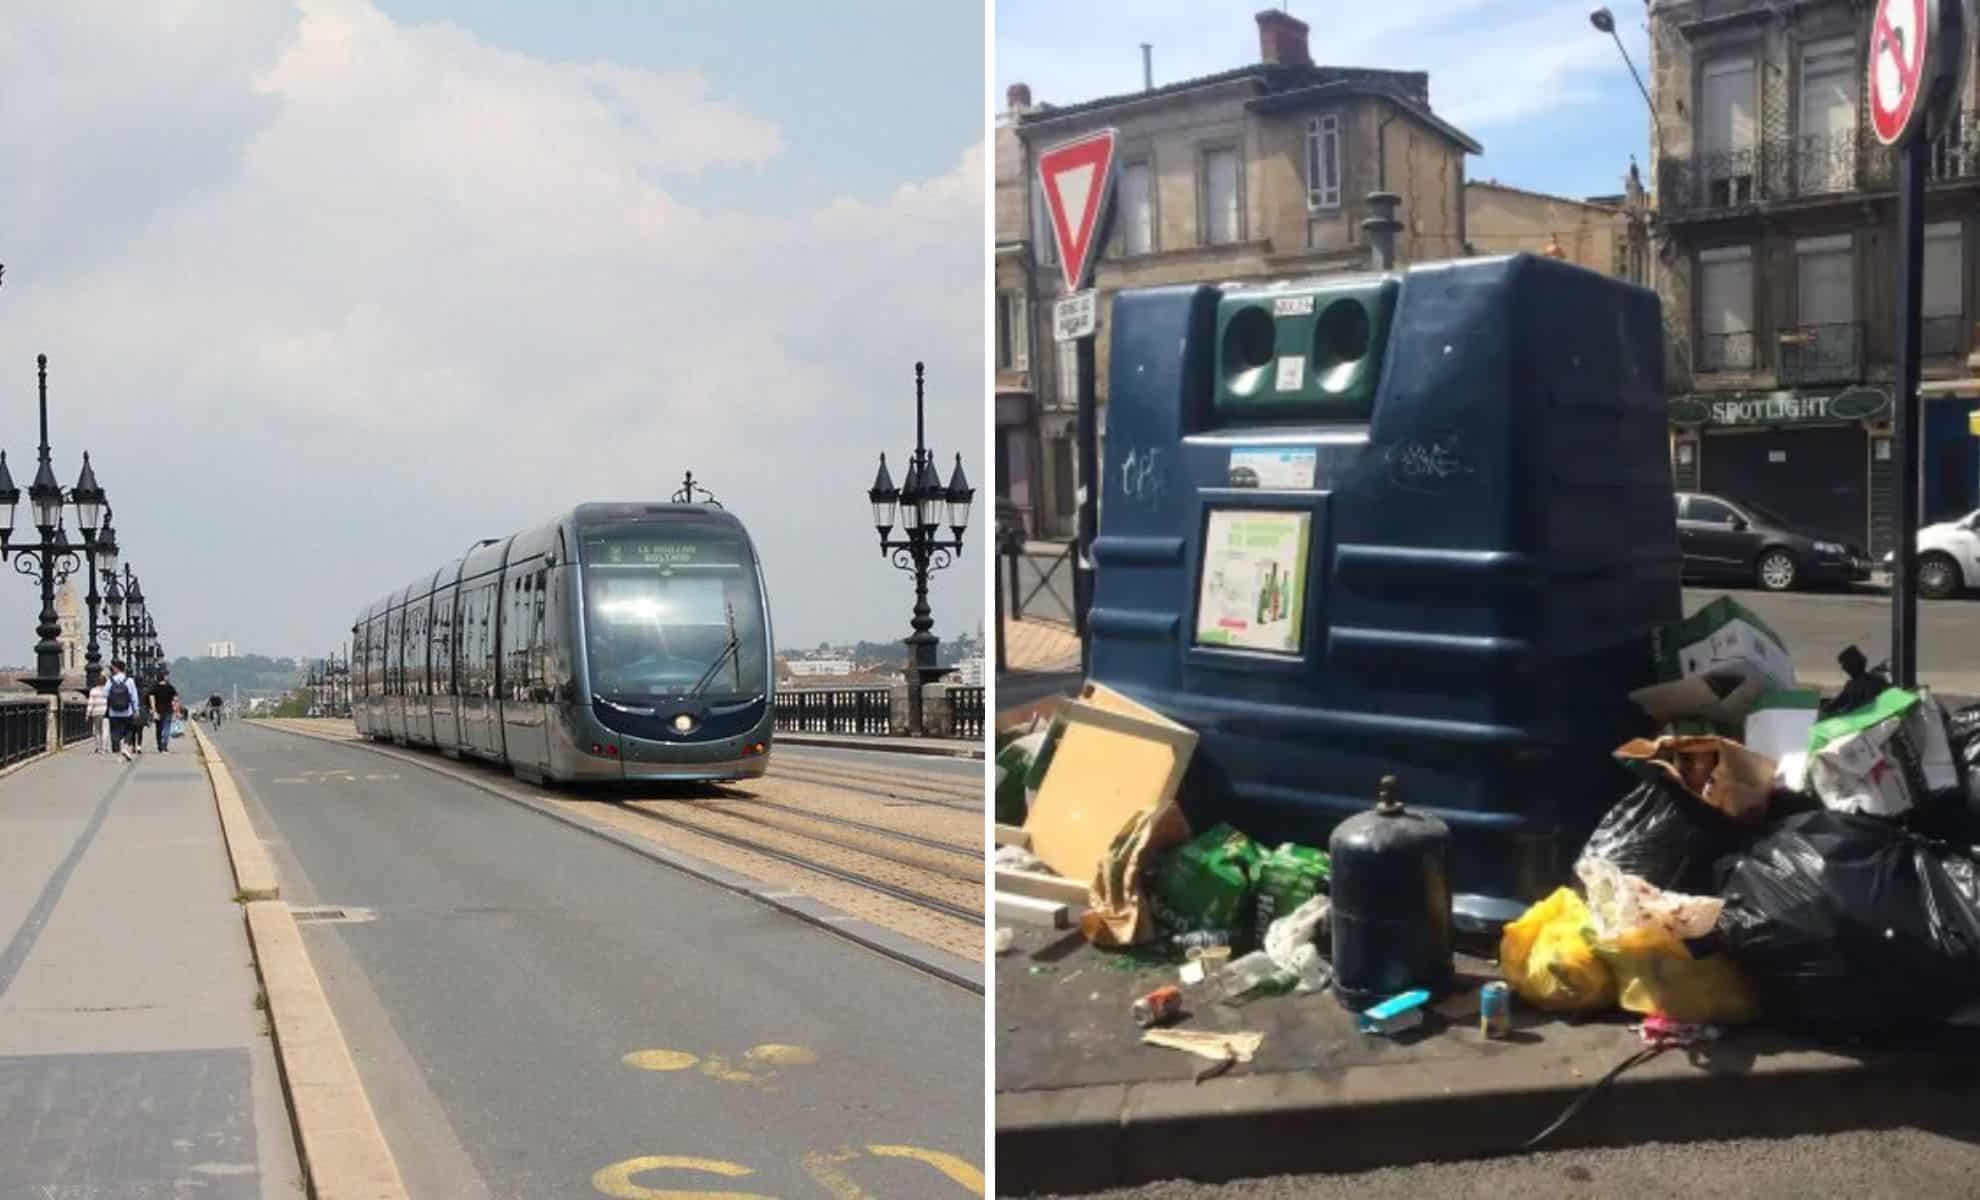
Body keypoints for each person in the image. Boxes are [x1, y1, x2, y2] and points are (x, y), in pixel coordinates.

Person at [105, 659, 141, 761]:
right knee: (129, 730)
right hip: (127, 711)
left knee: (115, 732)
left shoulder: (110, 680)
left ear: (115, 668)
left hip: (113, 711)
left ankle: (118, 754)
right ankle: (125, 747)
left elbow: (105, 694)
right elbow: (134, 697)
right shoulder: (129, 681)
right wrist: (136, 710)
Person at [149, 670, 179, 753]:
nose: (168, 677)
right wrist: (176, 710)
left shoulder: (155, 687)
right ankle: (164, 745)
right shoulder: (170, 687)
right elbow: (176, 699)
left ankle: (160, 746)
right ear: (164, 677)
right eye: (167, 675)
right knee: (166, 728)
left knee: (158, 728)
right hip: (168, 710)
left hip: (158, 710)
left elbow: (152, 698)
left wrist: (153, 709)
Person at [85, 678, 110, 753]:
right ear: (105, 682)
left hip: (96, 712)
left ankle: (98, 748)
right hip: (106, 712)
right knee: (105, 730)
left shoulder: (93, 690)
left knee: (97, 730)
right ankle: (105, 748)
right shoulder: (107, 691)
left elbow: (91, 703)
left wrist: (87, 714)